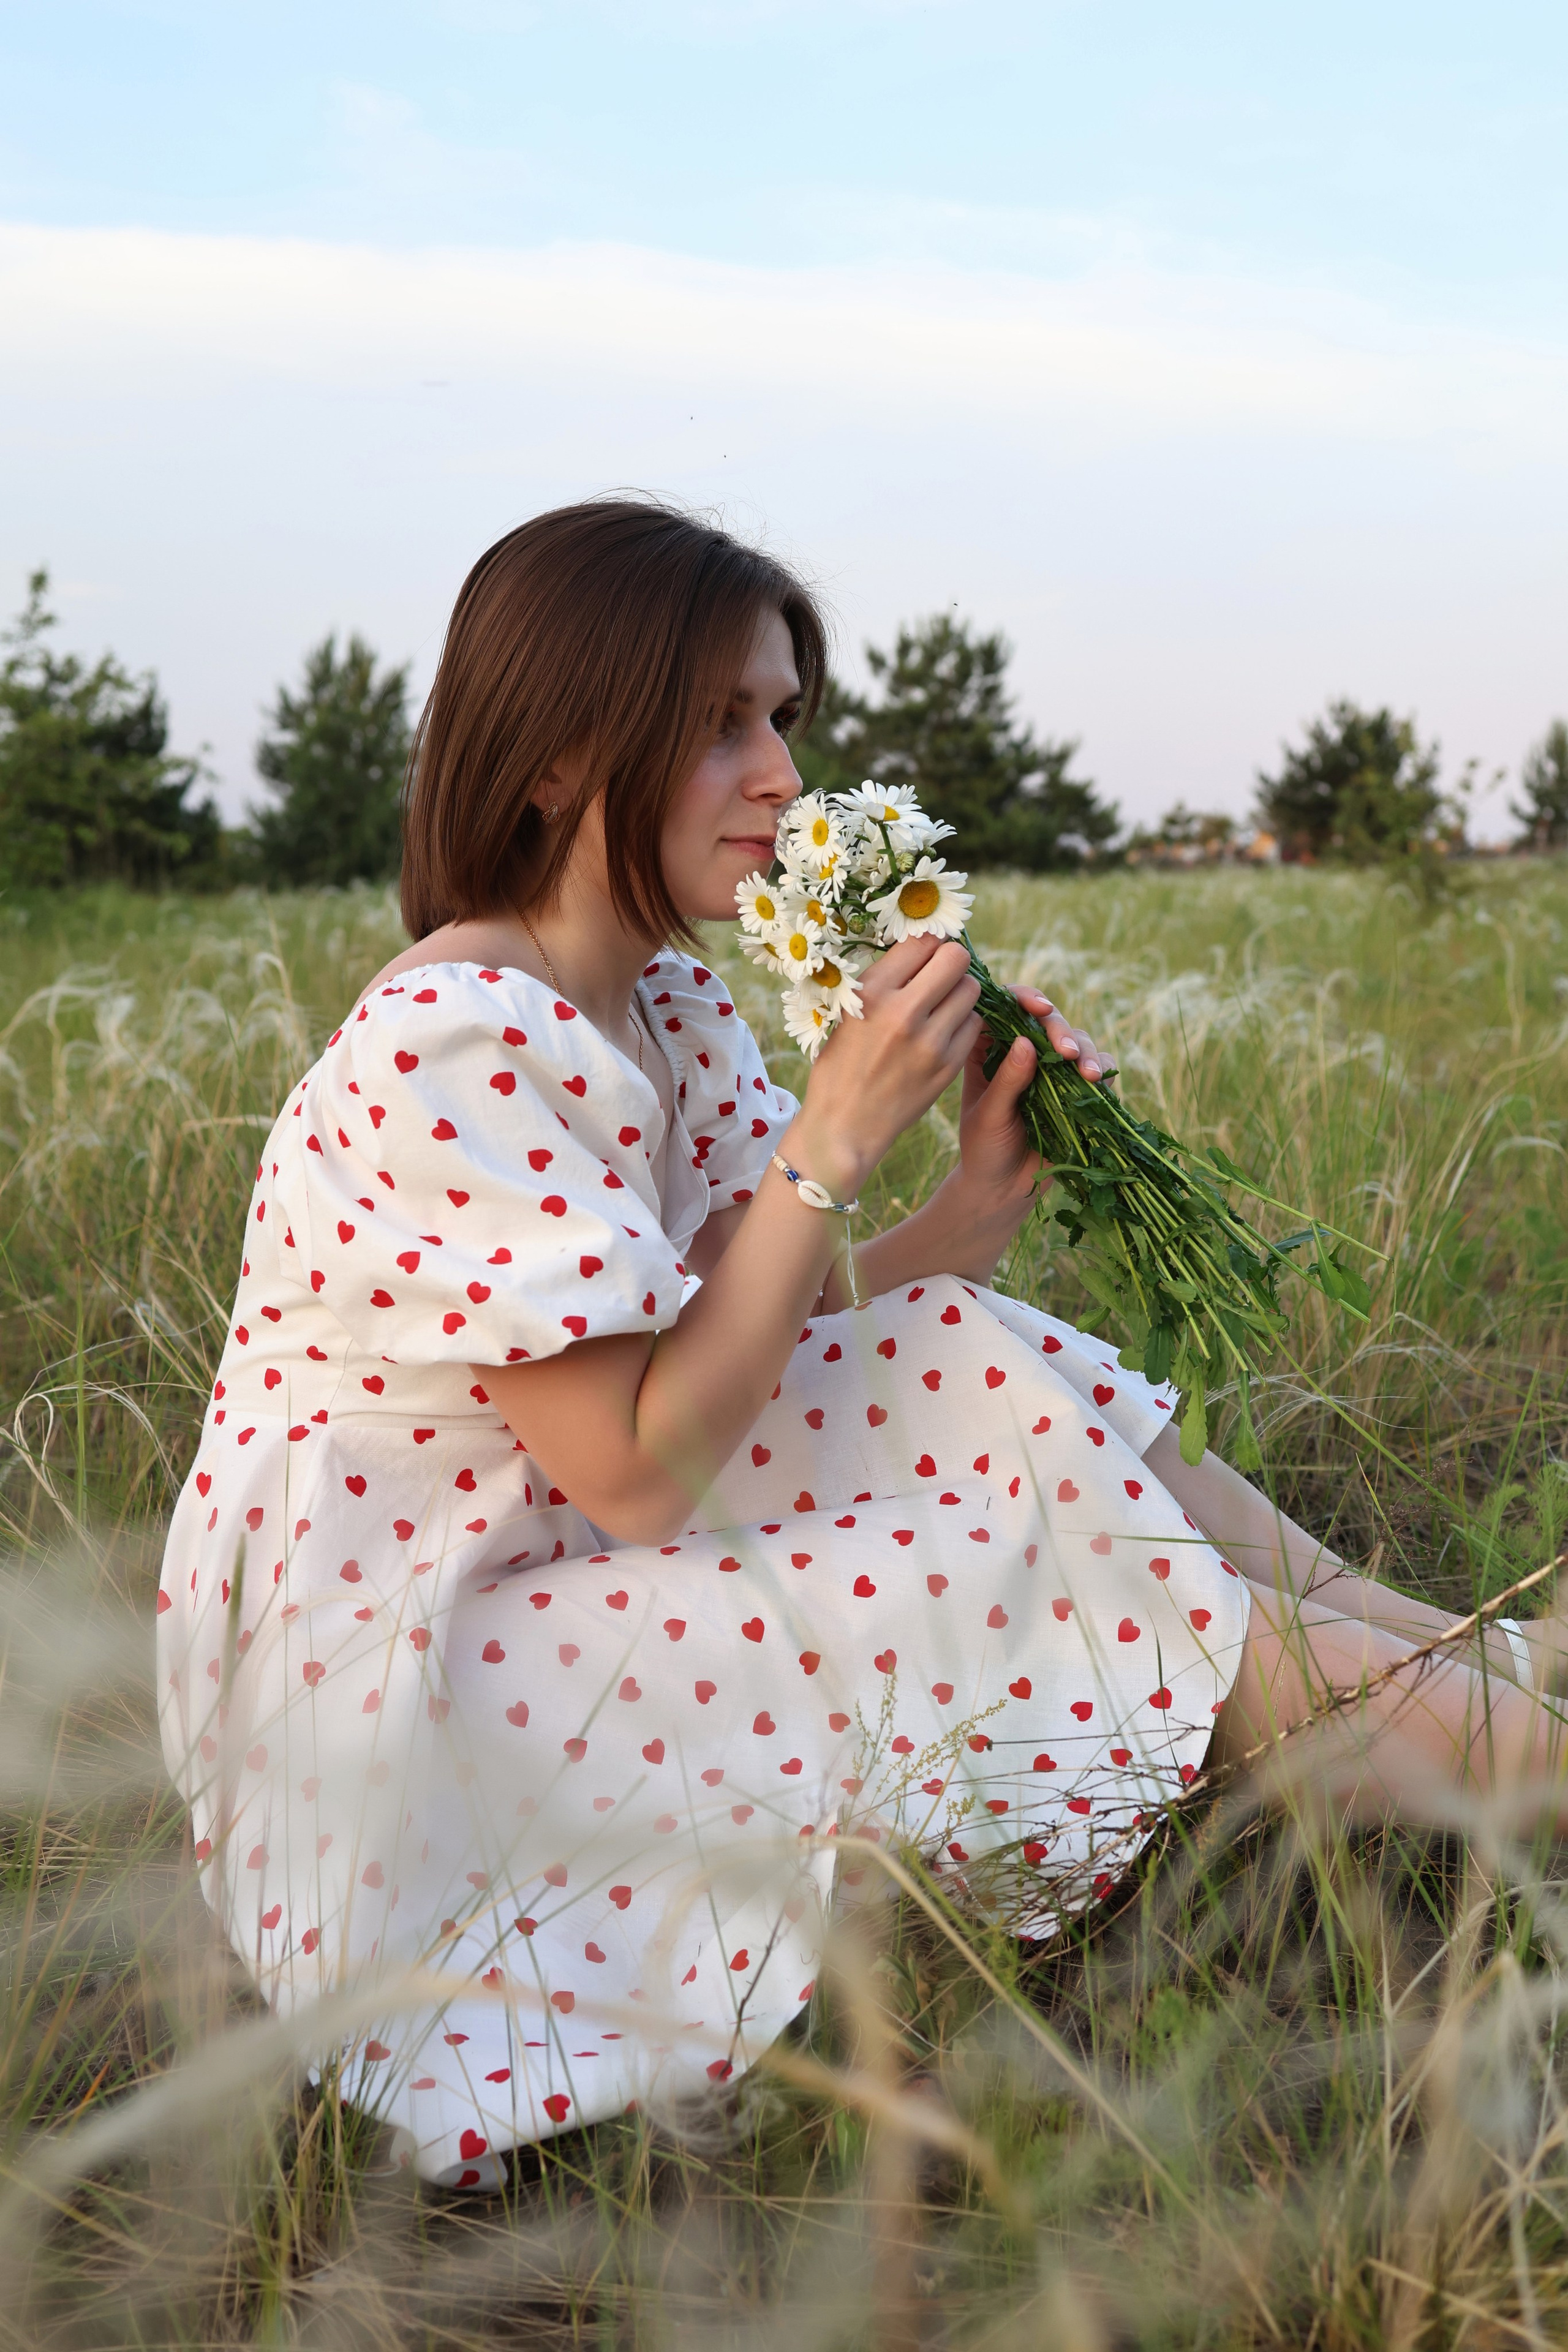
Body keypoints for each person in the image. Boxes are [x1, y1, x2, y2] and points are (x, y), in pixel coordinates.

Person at [157, 499, 1561, 2192]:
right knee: (996, 1554)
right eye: (721, 722)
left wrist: (970, 1193)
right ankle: (1487, 1733)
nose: (779, 778)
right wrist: (828, 1138)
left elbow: (797, 1337)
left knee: (962, 1349)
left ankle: (1477, 1669)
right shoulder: (453, 1043)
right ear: (550, 757)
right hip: (424, 1677)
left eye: (785, 721)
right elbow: (632, 1466)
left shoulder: (660, 1007)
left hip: (572, 1545)